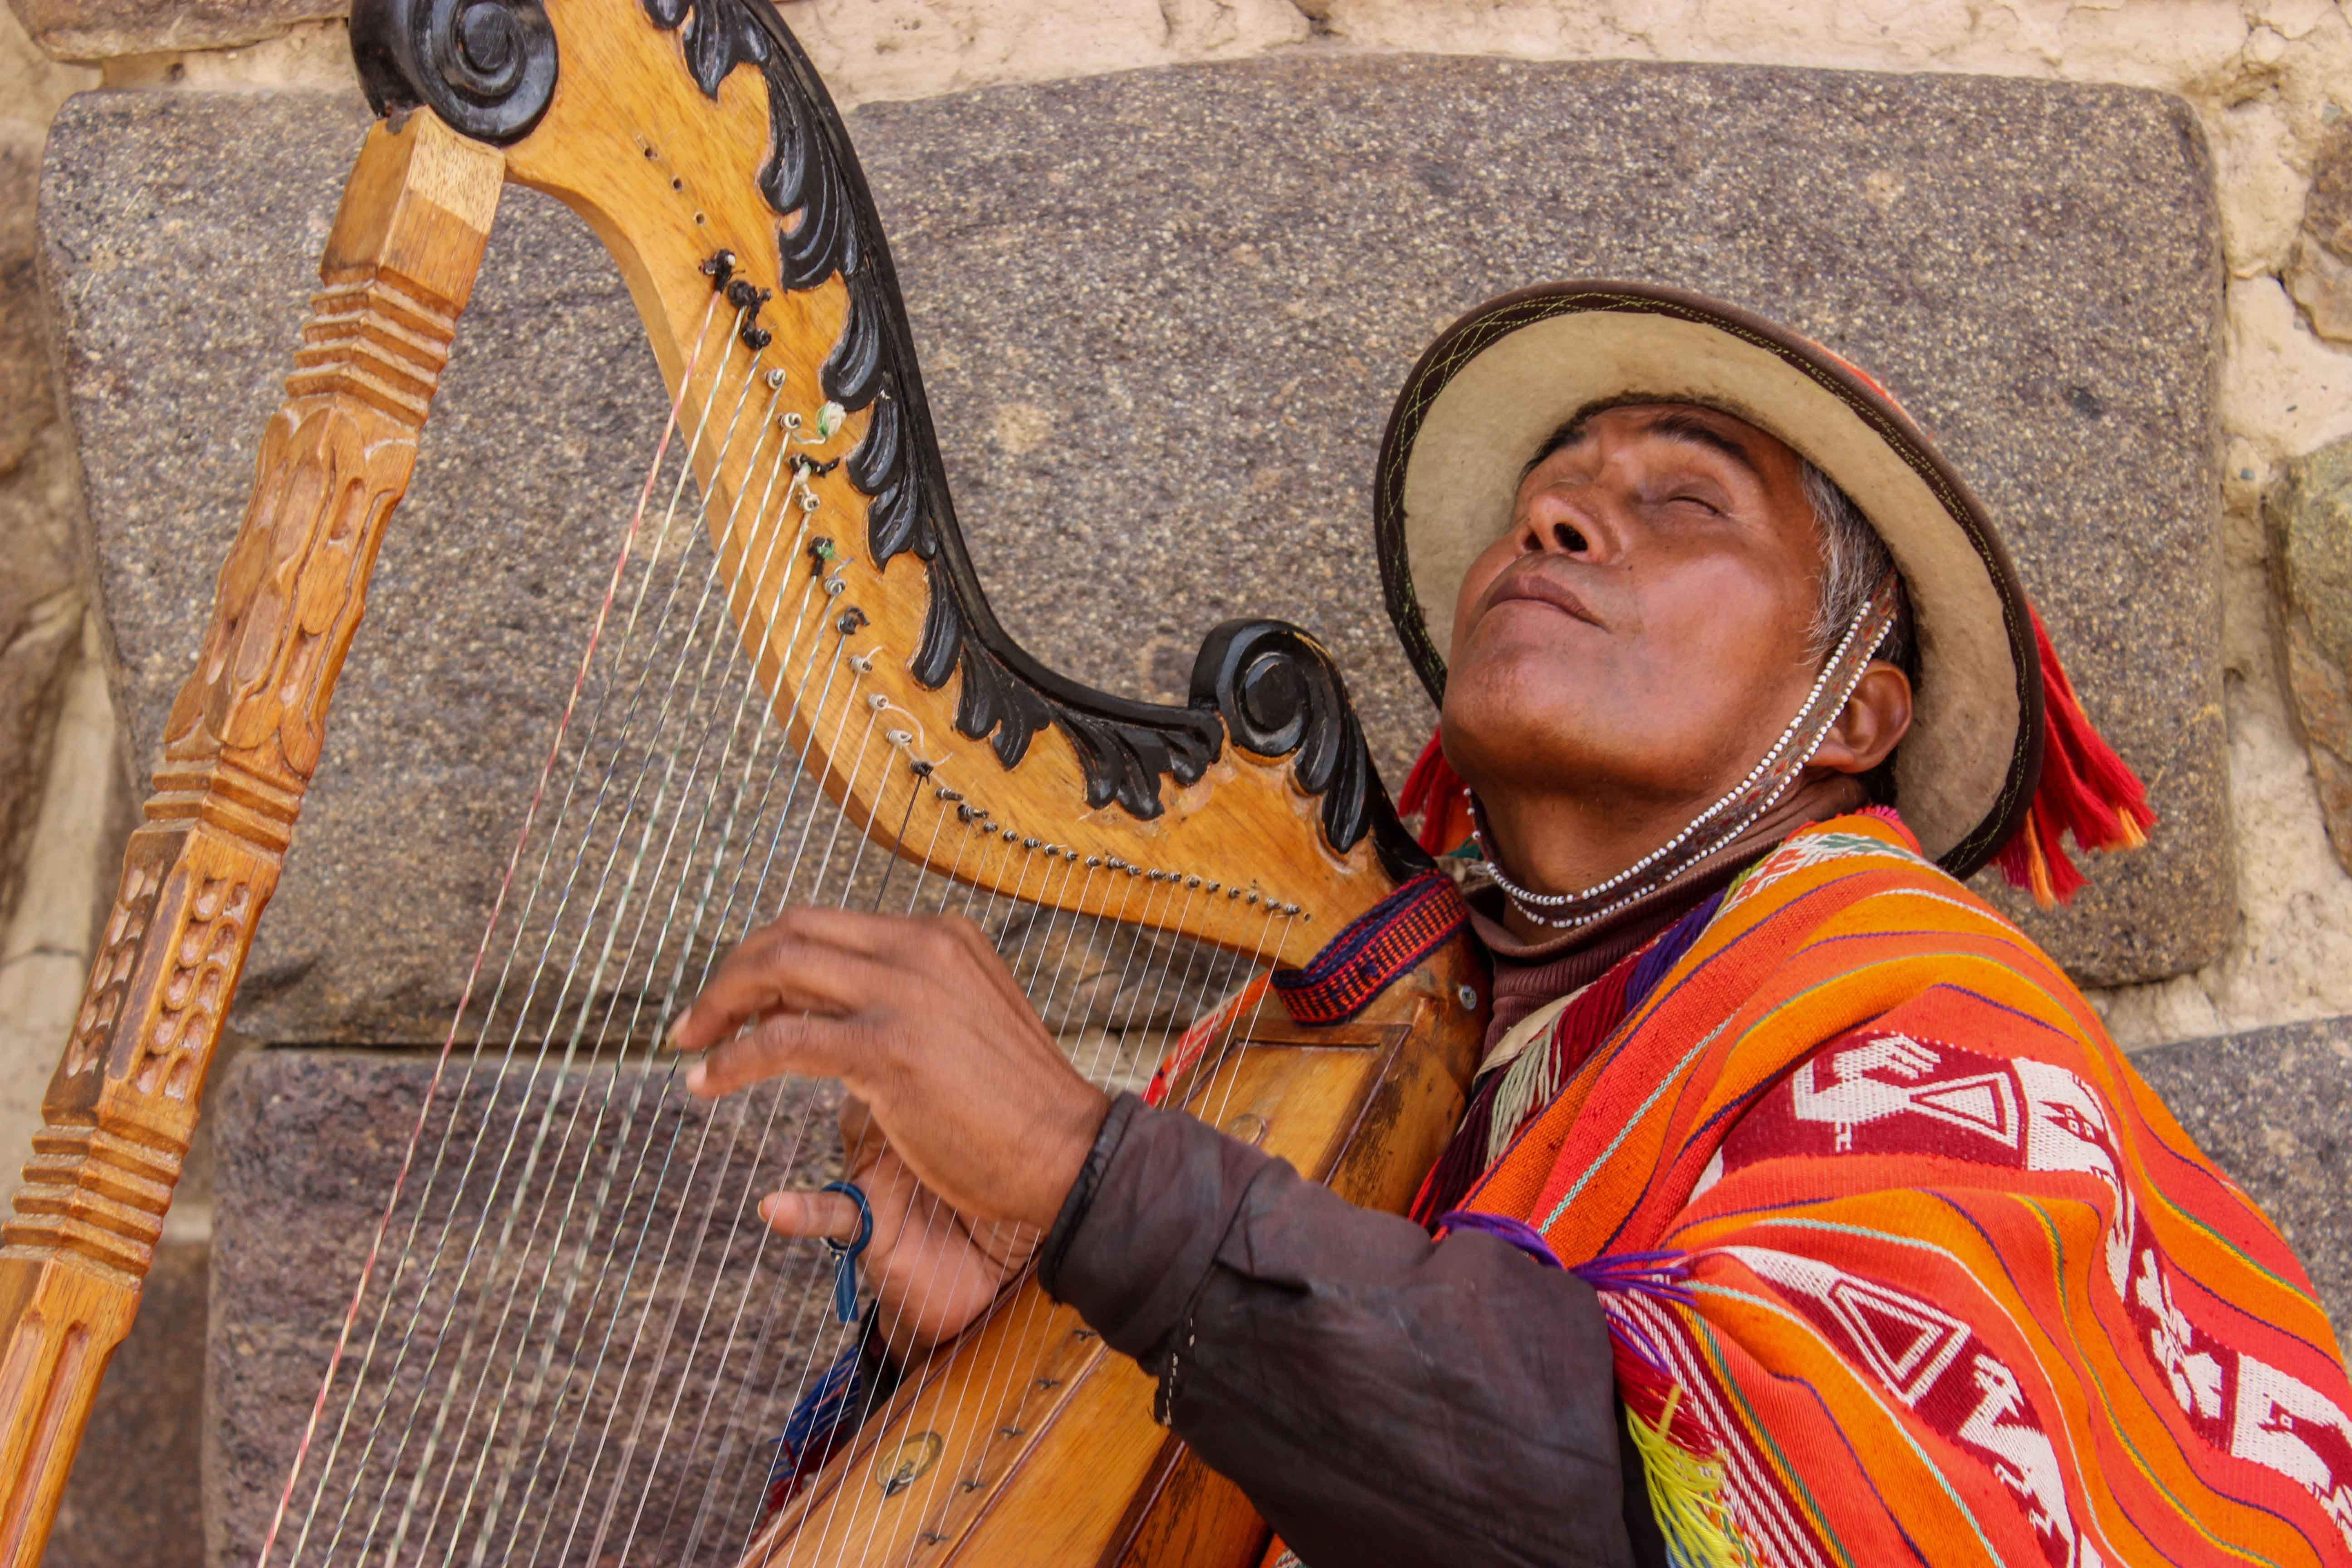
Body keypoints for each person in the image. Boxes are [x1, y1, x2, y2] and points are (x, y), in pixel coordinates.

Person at [668, 283, 2352, 1567]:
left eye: (1685, 504)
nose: (1551, 524)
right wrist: (1012, 1317)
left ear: (1853, 716)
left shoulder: (1932, 1026)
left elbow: (1695, 1496)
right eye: (1542, 499)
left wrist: (1093, 1176)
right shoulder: (1353, 1032)